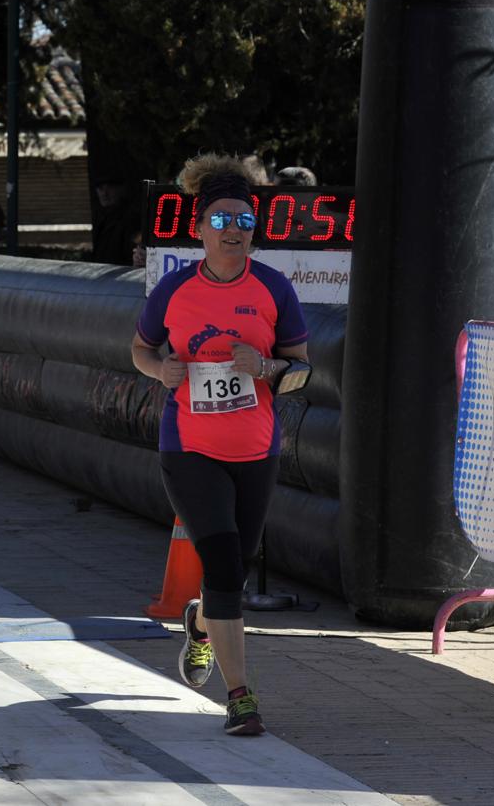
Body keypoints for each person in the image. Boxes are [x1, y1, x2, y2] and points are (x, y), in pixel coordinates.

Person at [130, 153, 309, 737]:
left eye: (245, 222)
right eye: (222, 220)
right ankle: (240, 697)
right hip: (190, 449)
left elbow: (304, 371)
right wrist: (162, 372)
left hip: (256, 451)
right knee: (227, 567)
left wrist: (268, 366)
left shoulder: (274, 289)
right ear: (198, 228)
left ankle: (201, 624)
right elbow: (140, 349)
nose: (235, 231)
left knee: (233, 565)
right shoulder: (176, 291)